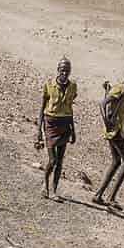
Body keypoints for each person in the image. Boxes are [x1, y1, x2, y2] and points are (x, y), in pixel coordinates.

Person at [93, 68, 124, 207]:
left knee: (116, 161)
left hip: (115, 131)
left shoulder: (120, 89)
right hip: (116, 133)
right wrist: (106, 122)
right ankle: (111, 197)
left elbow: (109, 102)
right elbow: (103, 104)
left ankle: (98, 195)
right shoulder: (121, 89)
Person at [33, 57, 78, 199]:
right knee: (52, 160)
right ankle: (45, 184)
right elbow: (42, 107)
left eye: (67, 71)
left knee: (60, 160)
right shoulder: (49, 85)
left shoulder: (73, 87)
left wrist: (73, 130)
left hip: (65, 124)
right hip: (51, 123)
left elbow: (70, 108)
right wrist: (38, 130)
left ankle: (54, 190)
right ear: (58, 70)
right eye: (62, 70)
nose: (65, 73)